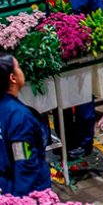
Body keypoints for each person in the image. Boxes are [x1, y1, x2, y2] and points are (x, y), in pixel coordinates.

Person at [46, 0, 103, 159]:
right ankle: (66, 140)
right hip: (60, 53)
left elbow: (99, 18)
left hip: (81, 52)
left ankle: (84, 143)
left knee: (82, 99)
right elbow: (48, 16)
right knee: (60, 100)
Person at [0, 52, 51, 196]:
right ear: (13, 78)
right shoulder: (19, 117)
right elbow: (25, 162)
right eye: (19, 68)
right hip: (25, 190)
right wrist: (21, 199)